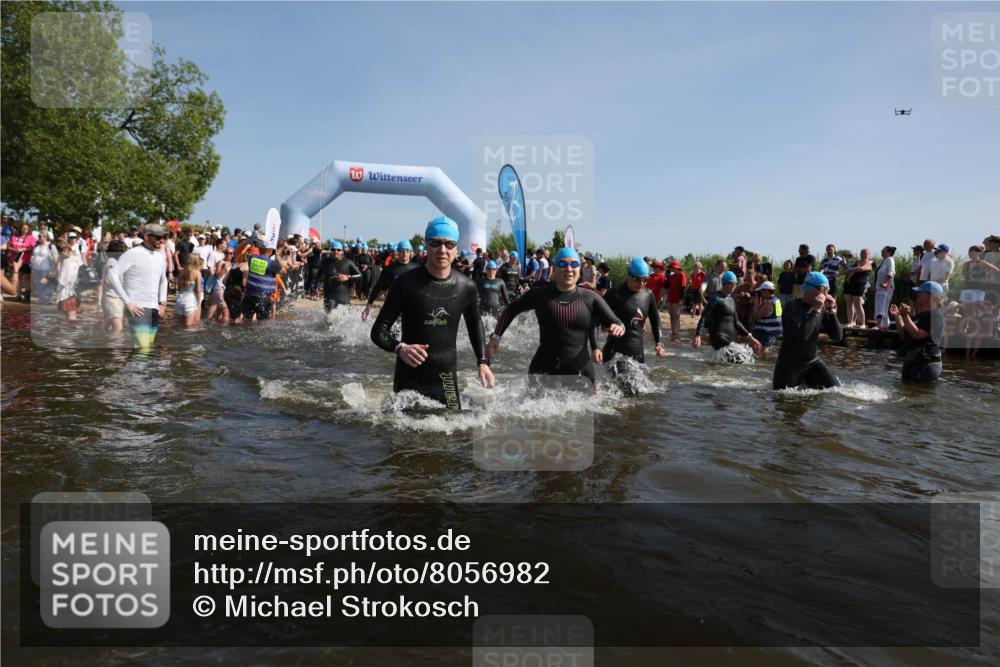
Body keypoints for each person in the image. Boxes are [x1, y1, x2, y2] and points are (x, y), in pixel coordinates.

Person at [370, 216, 494, 409]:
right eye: (435, 243)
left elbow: (474, 323)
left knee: (454, 428)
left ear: (455, 248)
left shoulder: (466, 287)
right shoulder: (405, 283)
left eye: (449, 244)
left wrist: (483, 362)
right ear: (426, 246)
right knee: (400, 434)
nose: (442, 250)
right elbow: (378, 331)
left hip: (446, 378)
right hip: (409, 377)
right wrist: (399, 348)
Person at [487, 247, 625, 386]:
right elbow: (511, 309)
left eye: (574, 264)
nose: (569, 269)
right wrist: (496, 337)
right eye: (563, 264)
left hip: (581, 373)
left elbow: (617, 322)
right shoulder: (540, 295)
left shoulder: (590, 297)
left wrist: (618, 327)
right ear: (555, 269)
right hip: (544, 369)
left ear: (580, 270)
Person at [772, 272, 843, 390]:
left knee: (837, 391)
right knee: (784, 398)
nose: (825, 294)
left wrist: (831, 311)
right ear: (809, 288)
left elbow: (838, 336)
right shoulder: (792, 307)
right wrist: (816, 309)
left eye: (827, 290)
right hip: (790, 365)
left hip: (812, 362)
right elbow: (802, 335)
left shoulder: (821, 308)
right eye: (821, 289)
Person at [106, 223, 168, 349]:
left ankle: (134, 368)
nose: (161, 240)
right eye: (158, 237)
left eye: (163, 237)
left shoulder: (160, 257)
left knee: (148, 346)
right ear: (147, 236)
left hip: (154, 307)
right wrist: (127, 302)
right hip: (137, 308)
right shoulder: (133, 253)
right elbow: (112, 275)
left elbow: (164, 280)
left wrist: (162, 302)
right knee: (143, 348)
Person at [597, 257, 665, 365]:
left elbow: (655, 321)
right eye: (637, 279)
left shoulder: (648, 295)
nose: (641, 283)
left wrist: (659, 343)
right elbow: (597, 319)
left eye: (645, 280)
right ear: (628, 276)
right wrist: (595, 347)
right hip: (613, 353)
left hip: (637, 354)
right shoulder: (614, 294)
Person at [693, 271, 762, 356]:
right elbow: (704, 316)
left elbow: (737, 323)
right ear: (725, 283)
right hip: (718, 337)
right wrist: (698, 335)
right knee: (740, 357)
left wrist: (750, 338)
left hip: (730, 338)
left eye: (735, 284)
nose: (734, 287)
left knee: (732, 364)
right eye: (731, 284)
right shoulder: (716, 298)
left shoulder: (732, 299)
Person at [891, 281, 945, 382]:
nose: (917, 294)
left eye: (921, 292)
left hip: (926, 363)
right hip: (913, 359)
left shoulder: (936, 315)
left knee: (920, 395)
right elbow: (904, 334)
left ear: (930, 295)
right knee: (907, 393)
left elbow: (917, 334)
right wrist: (898, 316)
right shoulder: (919, 315)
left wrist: (905, 316)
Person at [363, 240, 418, 320]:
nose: (405, 253)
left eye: (407, 250)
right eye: (402, 251)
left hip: (410, 308)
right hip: (392, 307)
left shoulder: (417, 269)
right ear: (398, 252)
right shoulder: (389, 269)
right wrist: (368, 306)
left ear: (410, 252)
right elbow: (378, 287)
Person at [242, 242, 286, 322]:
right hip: (263, 297)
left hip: (250, 294)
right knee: (262, 322)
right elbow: (283, 271)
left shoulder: (252, 258)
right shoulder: (271, 263)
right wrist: (277, 256)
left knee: (247, 319)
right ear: (270, 250)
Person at [320, 240, 361, 313]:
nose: (336, 251)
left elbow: (359, 275)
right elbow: (318, 275)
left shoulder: (348, 262)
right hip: (329, 295)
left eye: (338, 250)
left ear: (342, 252)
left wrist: (348, 277)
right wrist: (314, 286)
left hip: (343, 296)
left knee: (345, 318)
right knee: (328, 319)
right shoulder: (325, 262)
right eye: (333, 249)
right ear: (330, 251)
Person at [96, 240, 127, 331]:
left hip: (111, 298)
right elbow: (108, 280)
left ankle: (102, 341)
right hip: (112, 299)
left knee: (109, 327)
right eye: (124, 251)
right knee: (118, 329)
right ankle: (117, 344)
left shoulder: (112, 261)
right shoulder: (112, 262)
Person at [750, 281, 783, 355]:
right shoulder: (777, 300)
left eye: (762, 291)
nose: (760, 294)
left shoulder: (768, 303)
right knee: (764, 351)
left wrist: (756, 301)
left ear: (767, 291)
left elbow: (755, 316)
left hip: (765, 333)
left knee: (758, 353)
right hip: (772, 333)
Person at [843, 248, 872, 327]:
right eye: (862, 253)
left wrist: (851, 269)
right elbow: (846, 269)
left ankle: (863, 323)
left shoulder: (871, 263)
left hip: (859, 284)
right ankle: (850, 322)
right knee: (849, 304)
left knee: (858, 304)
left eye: (865, 253)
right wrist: (852, 269)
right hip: (848, 283)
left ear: (869, 255)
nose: (863, 254)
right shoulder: (855, 261)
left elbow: (862, 269)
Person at [7, 223, 36, 301]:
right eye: (23, 228)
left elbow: (32, 247)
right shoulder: (14, 236)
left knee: (26, 278)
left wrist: (23, 249)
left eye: (26, 228)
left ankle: (27, 295)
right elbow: (8, 245)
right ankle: (18, 295)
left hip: (26, 260)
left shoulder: (31, 237)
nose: (24, 229)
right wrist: (13, 249)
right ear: (20, 228)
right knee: (18, 278)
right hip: (15, 260)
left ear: (28, 229)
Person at [55, 240, 82, 322]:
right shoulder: (70, 260)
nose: (61, 253)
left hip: (69, 292)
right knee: (67, 314)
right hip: (68, 291)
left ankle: (71, 333)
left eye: (62, 251)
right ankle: (69, 331)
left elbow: (64, 280)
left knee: (71, 315)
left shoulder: (70, 261)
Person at [30, 232, 59, 304]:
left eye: (42, 236)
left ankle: (47, 301)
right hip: (36, 269)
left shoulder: (50, 246)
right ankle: (42, 300)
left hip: (47, 269)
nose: (40, 237)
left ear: (46, 237)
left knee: (46, 286)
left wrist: (54, 271)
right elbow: (33, 256)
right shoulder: (37, 246)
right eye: (39, 236)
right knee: (39, 286)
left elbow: (56, 259)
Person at [176, 255, 203, 328]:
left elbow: (178, 287)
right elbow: (198, 290)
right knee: (188, 327)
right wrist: (198, 302)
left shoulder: (181, 271)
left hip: (179, 298)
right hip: (190, 299)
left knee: (180, 325)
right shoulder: (197, 273)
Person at [873, 246, 897, 331]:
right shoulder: (883, 261)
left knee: (881, 306)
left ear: (889, 252)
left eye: (883, 250)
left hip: (886, 287)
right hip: (879, 287)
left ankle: (879, 325)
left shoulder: (890, 259)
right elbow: (877, 270)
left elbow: (891, 271)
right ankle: (885, 326)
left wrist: (886, 283)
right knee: (882, 306)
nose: (881, 251)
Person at [665, 260, 687, 341]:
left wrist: (681, 299)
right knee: (672, 316)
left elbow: (683, 287)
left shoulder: (682, 275)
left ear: (674, 267)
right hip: (671, 298)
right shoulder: (672, 276)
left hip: (677, 299)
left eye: (671, 268)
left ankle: (676, 333)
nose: (670, 269)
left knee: (676, 316)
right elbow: (667, 285)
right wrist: (667, 276)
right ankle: (673, 332)